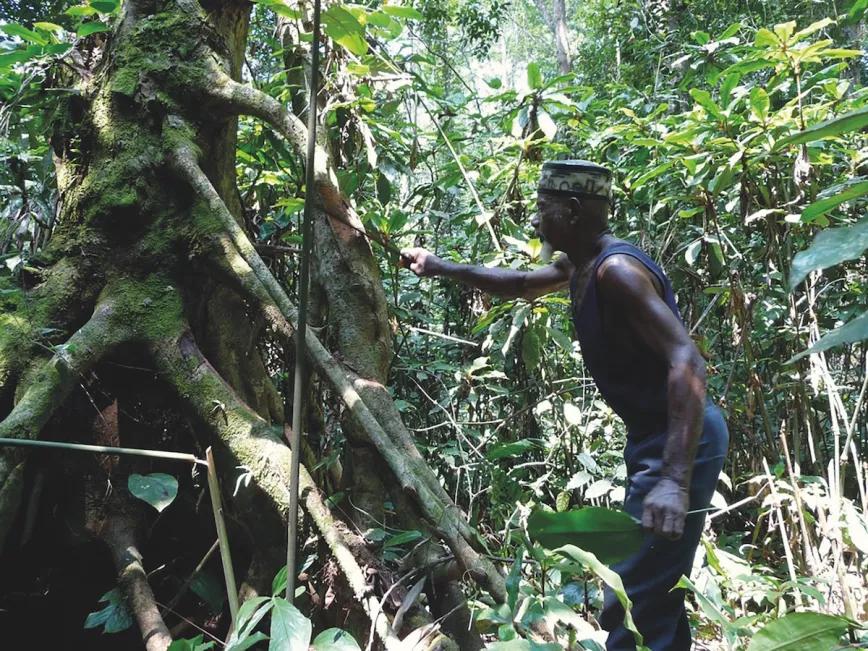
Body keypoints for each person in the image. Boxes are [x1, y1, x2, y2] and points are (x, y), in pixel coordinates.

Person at [401, 159, 729, 650]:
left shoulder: (617, 272)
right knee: (653, 588)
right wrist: (437, 265)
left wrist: (673, 481)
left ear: (573, 211)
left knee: (633, 596)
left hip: (681, 441)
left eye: (543, 208)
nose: (534, 219)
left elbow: (687, 360)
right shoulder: (579, 264)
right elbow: (520, 284)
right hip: (655, 437)